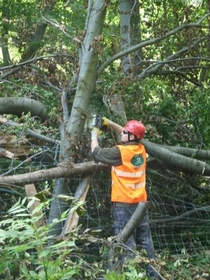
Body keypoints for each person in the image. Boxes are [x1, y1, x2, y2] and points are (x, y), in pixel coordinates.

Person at [91, 118, 160, 279]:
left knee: (126, 244)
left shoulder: (120, 152)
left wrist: (93, 134)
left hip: (124, 205)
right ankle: (154, 275)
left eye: (125, 133)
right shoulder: (141, 149)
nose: (122, 133)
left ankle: (131, 275)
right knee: (145, 242)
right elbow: (130, 133)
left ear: (131, 137)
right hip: (140, 204)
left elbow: (96, 153)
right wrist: (109, 123)